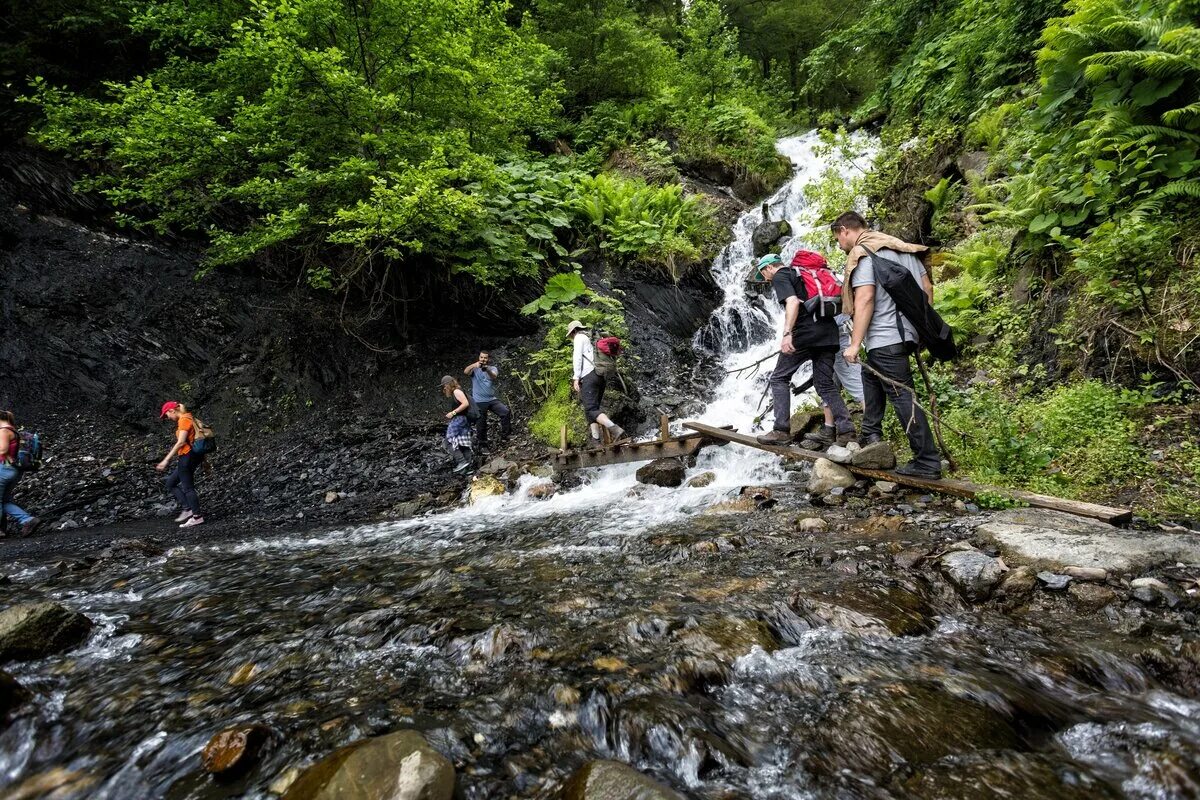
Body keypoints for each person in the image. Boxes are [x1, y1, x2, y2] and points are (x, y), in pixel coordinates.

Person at [834, 211, 942, 479]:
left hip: (884, 337)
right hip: (904, 334)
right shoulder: (901, 248)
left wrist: (855, 343)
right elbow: (927, 288)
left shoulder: (863, 253)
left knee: (902, 395)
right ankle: (871, 437)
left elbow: (866, 299)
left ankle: (927, 461)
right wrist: (920, 329)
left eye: (837, 237)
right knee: (870, 377)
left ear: (845, 230)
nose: (838, 244)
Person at [754, 253, 857, 447]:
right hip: (829, 333)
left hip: (805, 334)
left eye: (763, 274)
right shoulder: (803, 274)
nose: (766, 279)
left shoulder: (781, 275)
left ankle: (781, 430)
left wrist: (787, 334)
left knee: (779, 378)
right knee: (825, 384)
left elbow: (792, 302)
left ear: (768, 268)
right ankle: (847, 431)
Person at [568, 320, 627, 447]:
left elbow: (577, 357)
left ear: (573, 331)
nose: (572, 338)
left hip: (589, 376)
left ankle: (615, 429)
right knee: (591, 409)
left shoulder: (579, 337)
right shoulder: (592, 338)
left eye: (571, 335)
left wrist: (575, 377)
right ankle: (596, 441)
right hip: (600, 376)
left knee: (591, 408)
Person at [157, 401, 207, 527]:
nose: (167, 418)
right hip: (193, 456)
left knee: (188, 488)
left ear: (172, 410)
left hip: (187, 456)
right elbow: (197, 438)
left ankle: (197, 517)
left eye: (167, 415)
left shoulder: (184, 420)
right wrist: (205, 461)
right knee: (171, 483)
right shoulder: (190, 417)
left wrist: (166, 460)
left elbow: (180, 442)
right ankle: (188, 508)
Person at [463, 350, 511, 453]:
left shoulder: (492, 368)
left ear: (488, 359)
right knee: (481, 422)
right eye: (481, 357)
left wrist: (487, 369)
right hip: (479, 401)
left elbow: (494, 376)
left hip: (491, 399)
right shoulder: (474, 370)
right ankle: (482, 445)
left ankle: (505, 436)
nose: (483, 359)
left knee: (505, 411)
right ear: (479, 358)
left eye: (485, 358)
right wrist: (474, 365)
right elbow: (466, 372)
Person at [0, 411, 39, 536]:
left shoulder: (4, 431)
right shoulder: (14, 430)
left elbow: (3, 449)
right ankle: (27, 520)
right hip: (14, 470)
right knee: (4, 500)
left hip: (3, 469)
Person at [440, 376, 475, 474]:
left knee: (448, 442)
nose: (444, 388)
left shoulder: (456, 391)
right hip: (464, 420)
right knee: (463, 443)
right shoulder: (457, 391)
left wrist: (453, 413)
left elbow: (465, 403)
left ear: (448, 384)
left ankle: (462, 462)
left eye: (444, 386)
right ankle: (468, 469)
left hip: (459, 419)